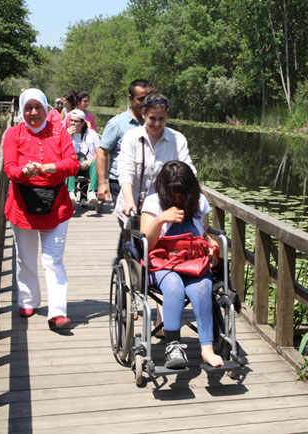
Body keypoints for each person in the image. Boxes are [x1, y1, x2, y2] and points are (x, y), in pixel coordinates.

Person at [3, 88, 80, 330]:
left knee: (53, 260)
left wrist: (47, 168)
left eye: (38, 107)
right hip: (22, 205)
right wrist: (24, 172)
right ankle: (28, 299)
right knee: (25, 258)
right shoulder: (13, 134)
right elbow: (9, 168)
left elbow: (72, 164)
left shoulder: (59, 133)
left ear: (47, 108)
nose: (33, 112)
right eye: (28, 108)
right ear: (22, 110)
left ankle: (57, 312)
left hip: (56, 206)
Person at [140, 160, 223, 368]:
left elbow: (202, 233)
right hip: (162, 259)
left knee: (203, 287)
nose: (178, 197)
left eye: (182, 193)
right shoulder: (152, 202)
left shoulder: (199, 202)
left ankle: (207, 348)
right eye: (174, 193)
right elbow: (145, 245)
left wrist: (210, 241)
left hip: (192, 258)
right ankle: (173, 345)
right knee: (174, 285)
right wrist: (160, 220)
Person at [115, 91, 195, 223]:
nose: (157, 124)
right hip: (132, 208)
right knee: (130, 243)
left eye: (161, 119)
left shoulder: (178, 139)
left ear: (167, 116)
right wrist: (129, 201)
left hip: (162, 211)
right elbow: (125, 170)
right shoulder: (131, 137)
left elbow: (188, 171)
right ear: (143, 114)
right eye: (152, 118)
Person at [97, 79, 153, 260]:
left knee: (145, 226)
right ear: (130, 98)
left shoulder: (154, 122)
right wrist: (101, 182)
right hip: (120, 183)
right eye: (141, 99)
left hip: (147, 184)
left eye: (149, 98)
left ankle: (139, 263)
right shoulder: (118, 123)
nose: (145, 103)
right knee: (129, 226)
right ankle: (127, 262)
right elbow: (102, 152)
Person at [65, 109, 100, 207]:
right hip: (73, 167)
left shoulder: (91, 134)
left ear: (82, 123)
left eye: (76, 121)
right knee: (69, 162)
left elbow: (99, 153)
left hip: (88, 167)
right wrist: (67, 137)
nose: (72, 123)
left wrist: (90, 160)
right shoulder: (65, 134)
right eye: (71, 120)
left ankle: (92, 192)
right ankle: (71, 192)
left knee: (96, 162)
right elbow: (59, 152)